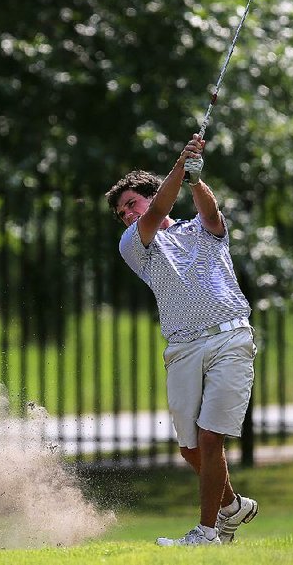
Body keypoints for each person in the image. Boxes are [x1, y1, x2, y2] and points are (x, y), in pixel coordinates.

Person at [105, 134, 258, 546]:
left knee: (210, 438)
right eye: (122, 213)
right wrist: (181, 164)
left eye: (132, 204)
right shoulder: (136, 245)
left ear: (151, 195)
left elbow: (210, 213)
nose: (128, 215)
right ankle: (232, 507)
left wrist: (192, 177)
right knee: (190, 449)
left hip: (230, 338)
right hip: (183, 347)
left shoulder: (203, 230)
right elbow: (158, 210)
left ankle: (207, 533)